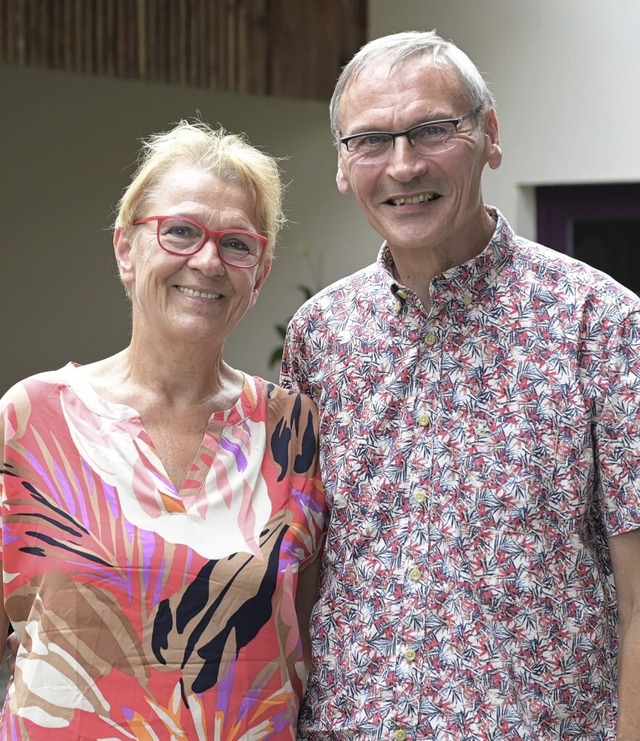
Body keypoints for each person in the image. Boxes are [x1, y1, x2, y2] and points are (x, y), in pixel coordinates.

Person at [281, 30, 640, 740]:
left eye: (432, 130)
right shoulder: (319, 337)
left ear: (489, 136)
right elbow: (306, 574)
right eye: (371, 141)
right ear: (343, 165)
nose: (403, 165)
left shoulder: (602, 326)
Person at [0, 120, 327, 739]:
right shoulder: (29, 421)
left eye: (237, 244)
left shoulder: (294, 432)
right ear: (126, 248)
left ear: (258, 275)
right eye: (179, 231)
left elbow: (302, 639)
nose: (207, 260)